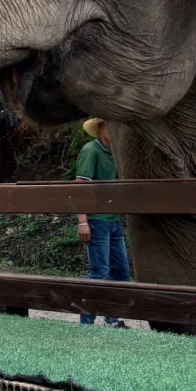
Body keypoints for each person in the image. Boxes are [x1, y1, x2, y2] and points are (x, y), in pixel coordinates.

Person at [75, 118, 131, 327]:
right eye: (110, 124)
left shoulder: (114, 152)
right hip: (97, 220)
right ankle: (86, 323)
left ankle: (112, 320)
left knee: (121, 272)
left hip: (113, 219)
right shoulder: (91, 151)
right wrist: (82, 221)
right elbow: (80, 187)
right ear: (100, 128)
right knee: (100, 272)